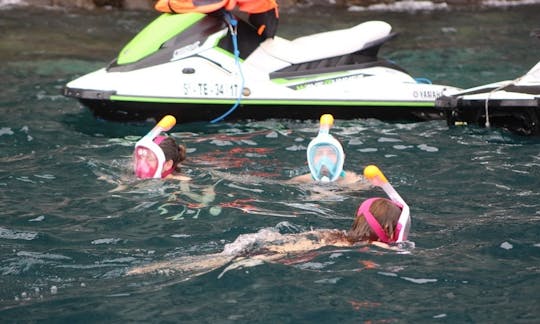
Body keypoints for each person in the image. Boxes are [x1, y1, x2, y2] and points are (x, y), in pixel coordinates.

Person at [127, 165, 411, 276]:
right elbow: (389, 248)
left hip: (268, 242)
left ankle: (148, 269)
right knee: (204, 265)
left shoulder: (338, 234)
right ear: (385, 231)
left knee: (207, 260)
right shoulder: (358, 247)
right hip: (268, 252)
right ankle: (145, 271)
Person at [288, 114, 363, 186]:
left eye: (331, 153)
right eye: (319, 153)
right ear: (311, 160)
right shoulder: (301, 181)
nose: (324, 158)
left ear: (341, 157)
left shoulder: (353, 181)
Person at [133, 115, 191, 181]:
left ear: (168, 165)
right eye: (140, 157)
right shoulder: (131, 175)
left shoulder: (181, 182)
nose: (141, 163)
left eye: (150, 159)